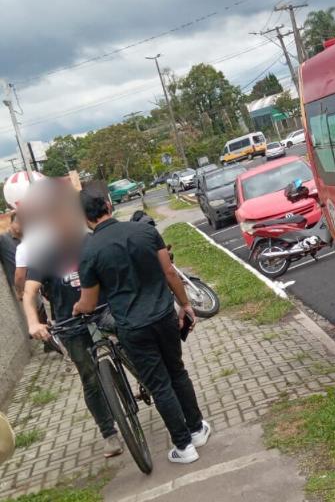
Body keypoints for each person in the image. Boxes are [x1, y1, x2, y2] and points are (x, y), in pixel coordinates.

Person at [73, 186, 210, 464]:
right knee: (177, 372)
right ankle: (197, 430)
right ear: (109, 205)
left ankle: (184, 448)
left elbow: (88, 303)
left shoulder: (89, 251)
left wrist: (77, 308)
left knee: (160, 386)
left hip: (133, 328)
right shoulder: (145, 231)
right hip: (164, 317)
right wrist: (185, 305)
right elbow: (170, 272)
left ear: (85, 218)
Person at [21, 180, 123, 458]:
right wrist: (33, 323)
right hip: (70, 324)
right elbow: (29, 294)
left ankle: (145, 378)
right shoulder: (45, 254)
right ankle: (109, 433)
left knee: (133, 342)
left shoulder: (92, 241)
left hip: (104, 311)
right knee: (89, 378)